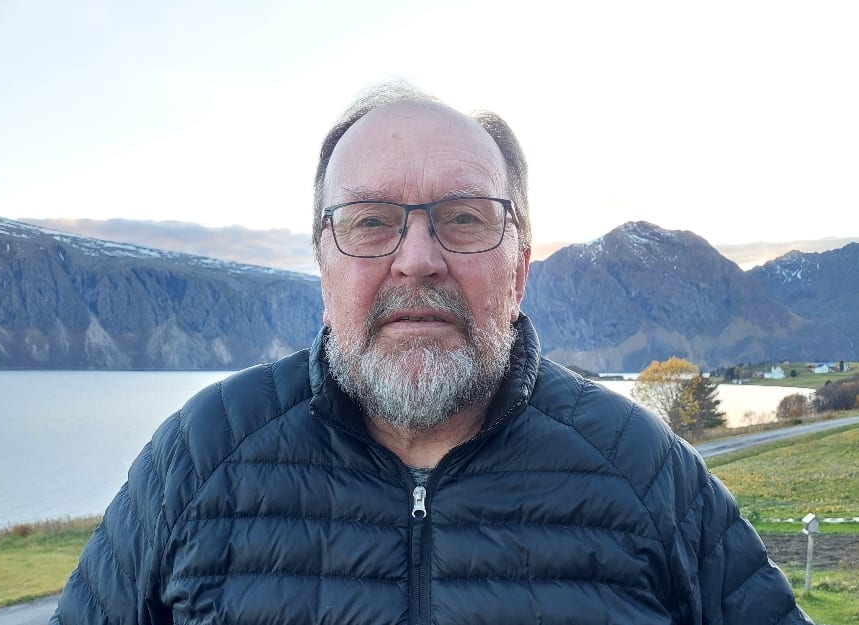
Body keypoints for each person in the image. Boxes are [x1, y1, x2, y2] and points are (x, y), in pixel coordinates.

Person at [50, 81, 813, 624]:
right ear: (323, 263)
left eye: (463, 218)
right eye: (371, 221)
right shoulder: (197, 458)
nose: (416, 260)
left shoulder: (643, 471)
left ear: (518, 269)